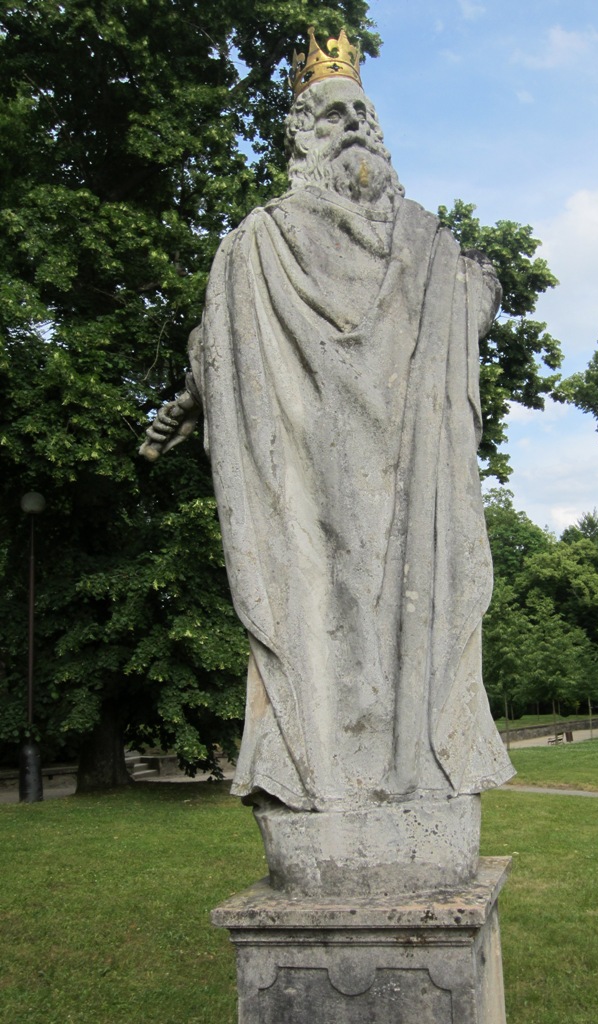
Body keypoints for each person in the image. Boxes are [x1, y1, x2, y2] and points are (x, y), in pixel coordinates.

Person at [142, 28, 513, 818]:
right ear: (304, 136)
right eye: (332, 114)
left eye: (360, 113)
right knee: (319, 604)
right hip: (310, 474)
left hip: (412, 471)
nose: (351, 124)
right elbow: (230, 339)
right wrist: (196, 391)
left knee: (420, 609)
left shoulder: (426, 241)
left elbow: (459, 317)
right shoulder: (260, 246)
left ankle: (424, 765)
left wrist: (476, 289)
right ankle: (319, 767)